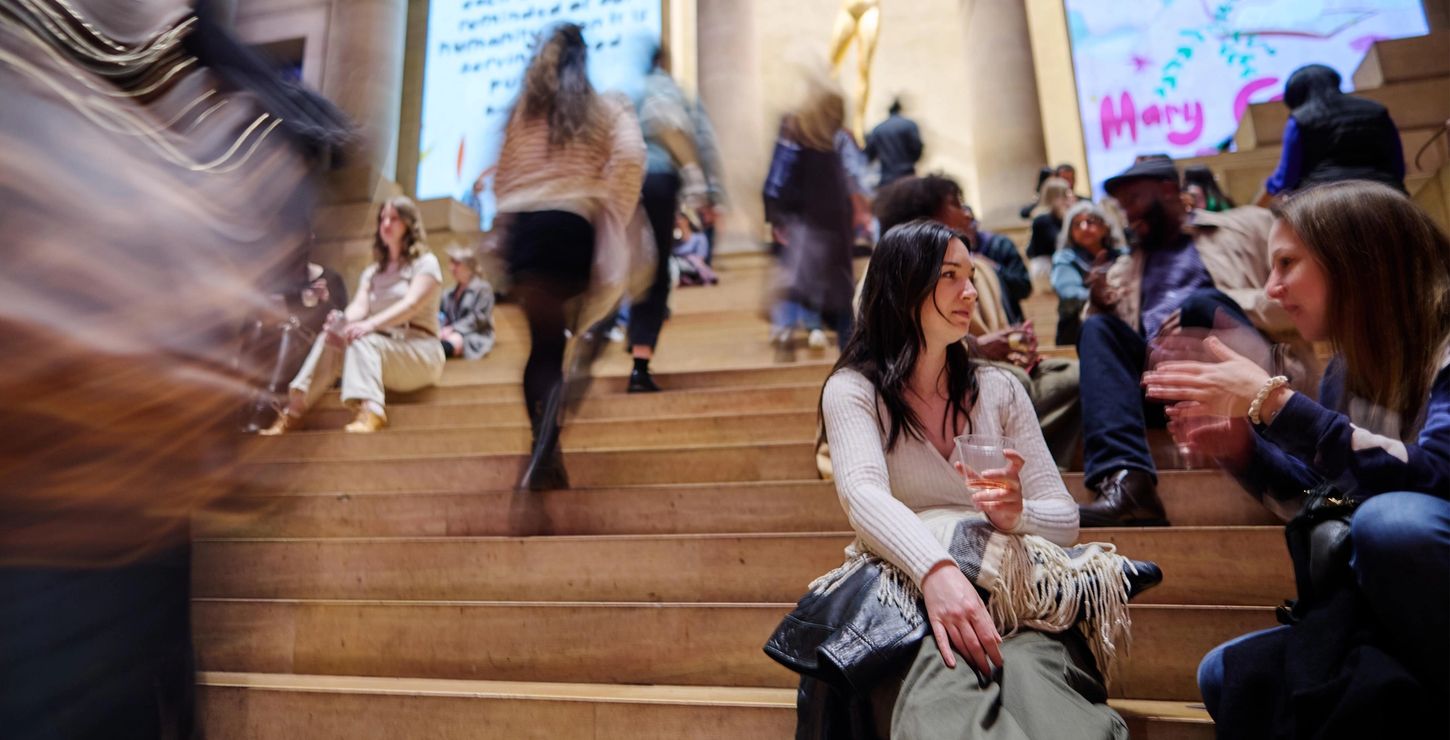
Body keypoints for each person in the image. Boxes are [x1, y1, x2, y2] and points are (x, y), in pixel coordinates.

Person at [804, 219, 1158, 737]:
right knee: (944, 716)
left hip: (1016, 598)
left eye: (970, 275)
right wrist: (935, 572)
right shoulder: (855, 390)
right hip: (913, 601)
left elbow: (1063, 519)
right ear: (903, 286)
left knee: (1063, 720)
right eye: (950, 276)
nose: (970, 291)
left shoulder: (999, 389)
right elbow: (862, 495)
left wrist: (1019, 513)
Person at [1143, 181, 1449, 736]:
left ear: (1358, 260)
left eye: (1287, 263)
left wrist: (1277, 403)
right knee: (1226, 673)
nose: (1271, 288)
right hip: (1389, 613)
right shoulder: (1344, 371)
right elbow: (1330, 499)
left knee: (1392, 525)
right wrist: (1242, 452)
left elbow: (1436, 477)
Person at [1076, 157, 1317, 527]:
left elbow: (1304, 299)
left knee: (1201, 304)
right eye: (1122, 207)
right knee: (1097, 330)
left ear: (1169, 189)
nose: (1128, 214)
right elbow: (1104, 363)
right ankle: (1128, 483)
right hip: (1166, 384)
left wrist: (1227, 303)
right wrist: (1098, 304)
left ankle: (1282, 452)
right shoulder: (1124, 267)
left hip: (1248, 374)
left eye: (1135, 199)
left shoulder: (1247, 226)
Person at [493, 22, 645, 489]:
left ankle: (546, 442)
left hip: (525, 232)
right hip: (571, 226)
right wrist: (611, 216)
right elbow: (632, 154)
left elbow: (502, 176)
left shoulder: (521, 110)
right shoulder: (602, 106)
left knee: (542, 345)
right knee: (577, 332)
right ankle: (548, 445)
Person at [873, 174, 1083, 467]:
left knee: (1073, 374)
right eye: (956, 204)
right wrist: (979, 347)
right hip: (938, 375)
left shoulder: (979, 267)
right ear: (928, 217)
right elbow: (893, 343)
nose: (968, 211)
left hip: (985, 365)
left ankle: (1036, 463)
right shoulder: (894, 275)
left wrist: (1012, 345)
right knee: (1009, 383)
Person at [261, 196, 445, 435]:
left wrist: (369, 324)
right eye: (382, 219)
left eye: (394, 218)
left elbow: (411, 304)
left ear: (410, 224)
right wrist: (340, 322)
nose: (386, 224)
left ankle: (372, 410)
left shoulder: (426, 263)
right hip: (383, 349)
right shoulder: (372, 272)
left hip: (420, 352)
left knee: (362, 338)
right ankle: (293, 412)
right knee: (331, 336)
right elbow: (358, 307)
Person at [626, 44, 718, 393]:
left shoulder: (632, 93)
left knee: (636, 269)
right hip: (663, 181)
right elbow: (702, 140)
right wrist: (711, 194)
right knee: (657, 273)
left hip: (630, 182)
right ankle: (639, 362)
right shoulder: (677, 92)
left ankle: (611, 332)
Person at [763, 71, 856, 358]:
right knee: (838, 301)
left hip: (812, 226)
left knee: (804, 285)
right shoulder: (829, 142)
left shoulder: (800, 135)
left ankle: (787, 328)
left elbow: (777, 181)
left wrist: (776, 216)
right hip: (831, 228)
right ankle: (848, 363)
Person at [1261, 64, 1405, 202]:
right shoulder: (1377, 110)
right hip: (1384, 191)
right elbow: (1397, 165)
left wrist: (1269, 185)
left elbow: (1286, 179)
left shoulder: (1299, 119)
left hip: (1325, 199)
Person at [1052, 201, 1125, 346]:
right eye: (1077, 225)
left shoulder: (1122, 256)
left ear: (1105, 227)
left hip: (1122, 327)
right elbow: (1069, 292)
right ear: (1070, 233)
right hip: (1077, 333)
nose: (1084, 228)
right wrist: (1110, 297)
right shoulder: (1065, 258)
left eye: (1090, 222)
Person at [439, 245, 496, 360]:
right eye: (451, 263)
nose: (452, 268)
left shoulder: (483, 289)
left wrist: (453, 329)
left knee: (451, 341)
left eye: (456, 263)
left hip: (474, 334)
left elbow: (478, 318)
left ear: (469, 266)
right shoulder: (448, 293)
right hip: (449, 333)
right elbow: (442, 315)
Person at [864, 98, 923, 187]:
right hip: (907, 177)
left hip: (887, 179)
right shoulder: (910, 125)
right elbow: (917, 149)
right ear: (900, 109)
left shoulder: (878, 129)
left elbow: (869, 154)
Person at [1025, 176, 1075, 278]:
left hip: (1056, 264)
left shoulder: (1058, 217)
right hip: (1045, 268)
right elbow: (1059, 242)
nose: (1070, 198)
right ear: (1056, 197)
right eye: (1066, 195)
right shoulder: (1042, 219)